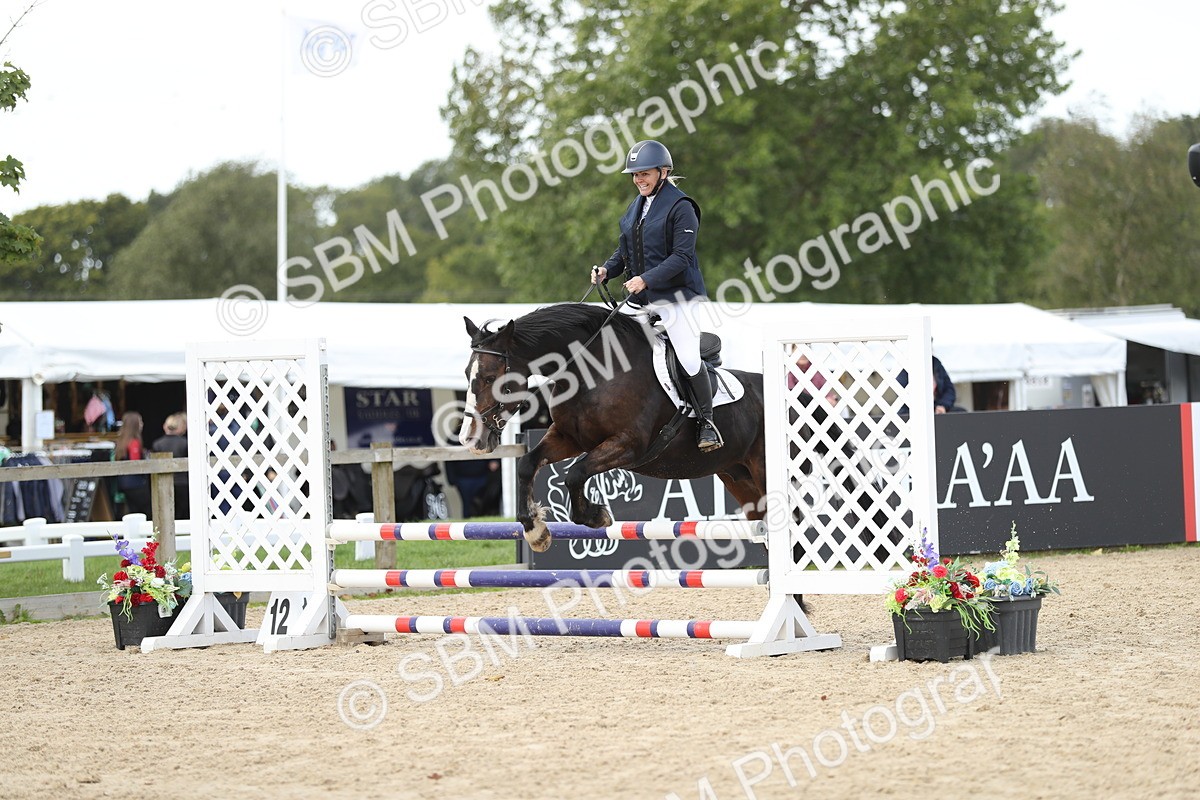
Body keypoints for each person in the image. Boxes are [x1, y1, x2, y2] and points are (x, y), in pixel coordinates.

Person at [590, 139, 722, 451]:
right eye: (635, 175)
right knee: (612, 346)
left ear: (663, 172)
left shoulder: (681, 207)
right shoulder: (634, 209)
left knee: (688, 359)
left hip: (677, 298)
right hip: (642, 300)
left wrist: (645, 280)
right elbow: (625, 251)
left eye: (644, 174)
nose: (639, 180)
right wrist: (607, 270)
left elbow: (682, 257)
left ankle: (707, 422)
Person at [150, 412, 190, 519]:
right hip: (183, 483)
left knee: (166, 515)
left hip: (163, 483)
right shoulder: (185, 443)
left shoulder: (157, 444)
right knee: (184, 515)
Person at [112, 411, 151, 516]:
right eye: (140, 422)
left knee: (133, 513)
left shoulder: (121, 441)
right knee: (148, 511)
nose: (142, 424)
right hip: (136, 484)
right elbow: (136, 463)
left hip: (123, 484)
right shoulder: (134, 442)